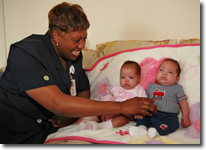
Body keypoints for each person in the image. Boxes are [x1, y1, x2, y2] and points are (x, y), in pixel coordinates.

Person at [0, 2, 158, 144]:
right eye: (77, 40)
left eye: (85, 39)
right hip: (9, 128)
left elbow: (83, 89)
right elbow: (58, 104)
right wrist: (121, 107)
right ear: (56, 36)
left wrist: (72, 116)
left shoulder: (73, 56)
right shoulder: (25, 52)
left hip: (43, 130)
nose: (82, 45)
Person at [129, 58, 191, 138]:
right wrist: (141, 111)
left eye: (170, 72)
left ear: (177, 79)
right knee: (143, 118)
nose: (164, 73)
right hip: (150, 113)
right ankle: (141, 128)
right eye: (161, 70)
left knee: (173, 122)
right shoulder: (151, 85)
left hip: (168, 116)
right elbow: (145, 99)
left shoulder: (177, 88)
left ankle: (156, 130)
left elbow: (183, 102)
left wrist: (185, 116)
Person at [78, 61, 147, 130]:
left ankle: (100, 126)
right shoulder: (116, 87)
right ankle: (88, 123)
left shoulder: (139, 90)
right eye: (123, 77)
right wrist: (105, 101)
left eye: (131, 77)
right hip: (108, 111)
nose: (126, 80)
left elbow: (143, 104)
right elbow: (108, 95)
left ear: (139, 78)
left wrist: (139, 113)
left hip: (123, 115)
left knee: (121, 120)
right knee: (97, 110)